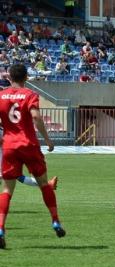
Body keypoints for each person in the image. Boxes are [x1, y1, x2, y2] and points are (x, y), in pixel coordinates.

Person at [0, 64, 66, 249]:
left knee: (6, 190)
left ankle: (1, 229)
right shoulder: (30, 95)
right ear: (26, 77)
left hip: (10, 146)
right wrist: (48, 140)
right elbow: (36, 117)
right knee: (44, 184)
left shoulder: (1, 96)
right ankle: (55, 222)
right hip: (29, 145)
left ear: (9, 77)